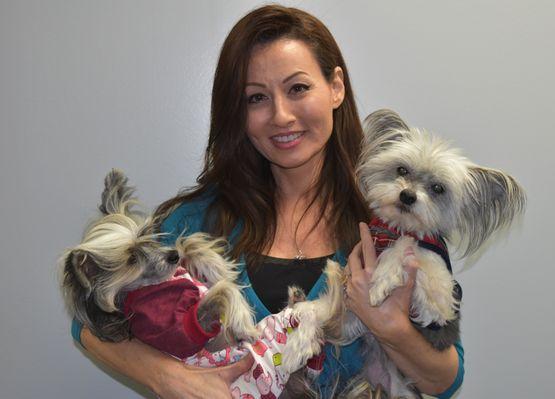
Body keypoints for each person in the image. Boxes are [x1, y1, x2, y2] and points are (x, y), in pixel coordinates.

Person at [72, 4, 464, 398]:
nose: (280, 115)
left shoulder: (394, 219)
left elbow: (446, 378)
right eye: (256, 98)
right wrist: (171, 380)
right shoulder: (194, 222)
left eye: (298, 88)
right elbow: (89, 322)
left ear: (335, 87)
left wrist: (391, 328)